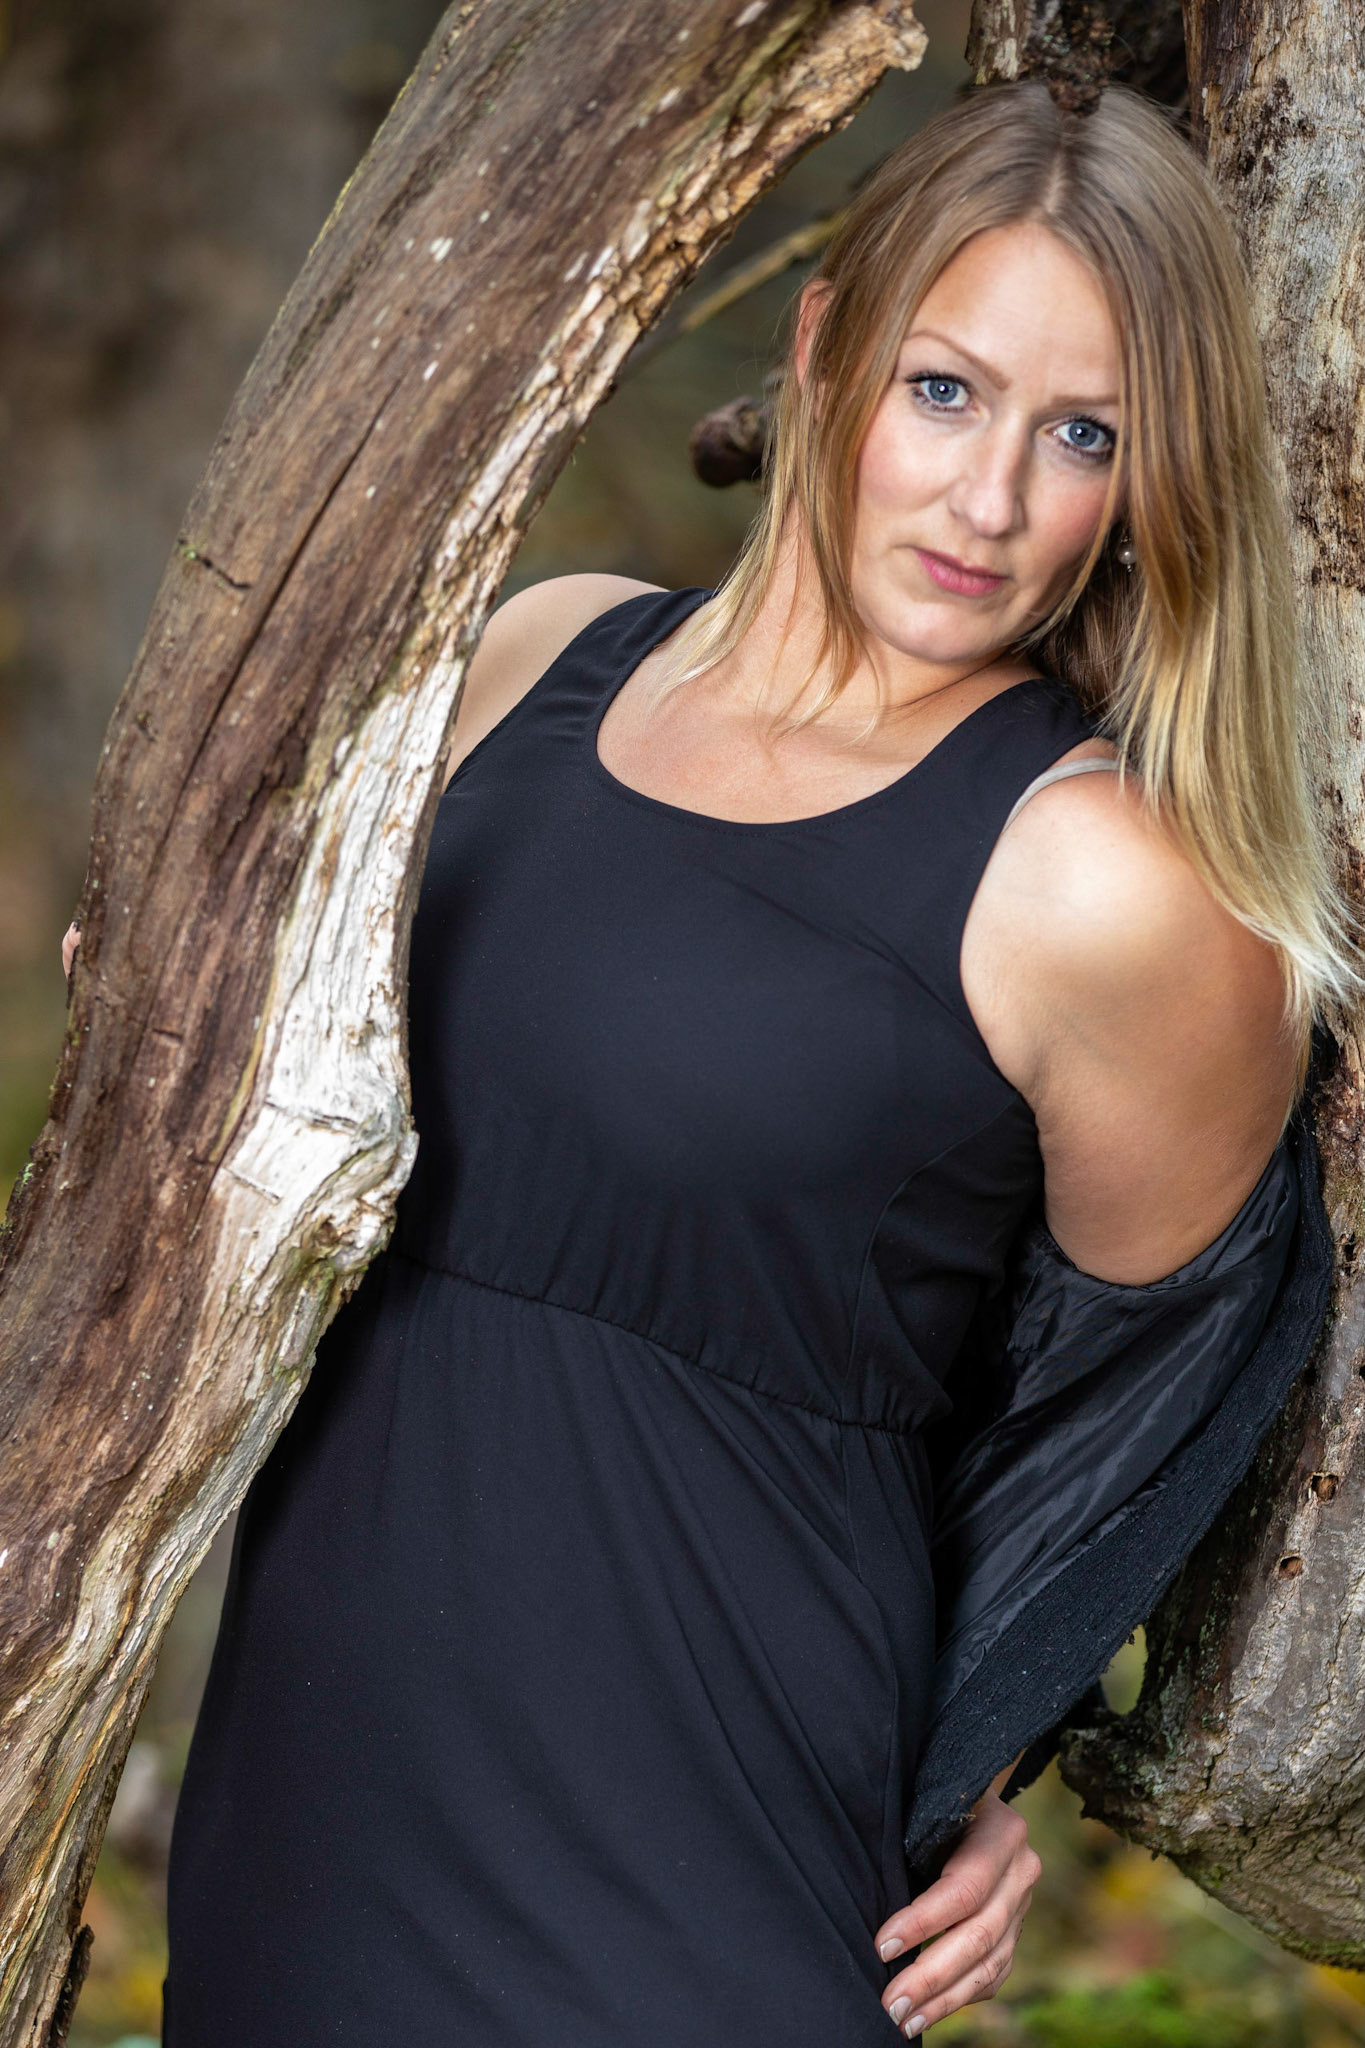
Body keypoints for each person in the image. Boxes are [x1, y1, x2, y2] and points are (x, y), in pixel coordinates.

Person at [61, 77, 1351, 2046]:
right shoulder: (529, 663)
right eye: (942, 391)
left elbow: (1132, 1407)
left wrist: (964, 1757)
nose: (989, 499)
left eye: (1080, 434)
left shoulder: (1105, 887)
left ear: (1145, 482)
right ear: (824, 350)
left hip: (700, 1864)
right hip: (308, 1821)